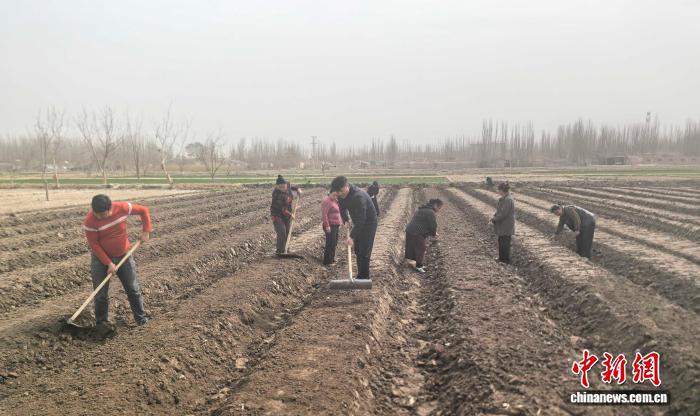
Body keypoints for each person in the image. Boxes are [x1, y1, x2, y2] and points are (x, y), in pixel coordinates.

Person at [83, 194, 152, 329]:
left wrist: (146, 231)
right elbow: (94, 244)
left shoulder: (122, 208)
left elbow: (144, 210)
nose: (99, 217)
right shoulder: (90, 221)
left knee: (132, 289)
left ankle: (141, 319)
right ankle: (102, 325)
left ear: (110, 208)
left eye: (103, 215)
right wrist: (108, 263)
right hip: (100, 259)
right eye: (97, 214)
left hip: (123, 255)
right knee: (100, 294)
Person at [331, 176, 377, 280]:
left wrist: (351, 237)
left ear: (346, 185)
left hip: (369, 223)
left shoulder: (358, 197)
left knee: (364, 250)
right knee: (358, 249)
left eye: (341, 191)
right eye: (338, 192)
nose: (340, 194)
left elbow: (362, 219)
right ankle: (360, 275)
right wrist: (345, 219)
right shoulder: (342, 196)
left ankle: (364, 277)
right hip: (358, 221)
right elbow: (342, 207)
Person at [405, 198, 443, 273]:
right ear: (435, 205)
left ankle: (414, 263)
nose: (439, 210)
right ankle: (418, 266)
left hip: (410, 230)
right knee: (421, 248)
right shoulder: (431, 212)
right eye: (439, 207)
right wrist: (434, 234)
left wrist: (432, 233)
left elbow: (425, 223)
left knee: (413, 247)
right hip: (417, 232)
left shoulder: (422, 209)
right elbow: (433, 225)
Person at [270, 175, 302, 254]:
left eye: (283, 186)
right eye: (280, 187)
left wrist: (298, 189)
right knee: (282, 231)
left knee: (287, 232)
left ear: (286, 185)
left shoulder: (287, 185)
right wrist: (291, 214)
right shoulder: (276, 194)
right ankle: (280, 250)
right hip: (277, 215)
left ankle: (286, 249)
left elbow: (294, 186)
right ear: (277, 186)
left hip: (287, 214)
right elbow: (281, 208)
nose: (282, 188)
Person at [490, 182, 515, 264]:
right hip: (502, 225)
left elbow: (503, 214)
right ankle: (501, 258)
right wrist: (494, 217)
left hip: (506, 225)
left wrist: (494, 219)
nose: (498, 191)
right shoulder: (503, 199)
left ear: (502, 190)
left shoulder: (508, 200)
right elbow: (499, 211)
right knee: (501, 241)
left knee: (505, 243)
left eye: (499, 190)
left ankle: (505, 260)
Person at [321, 191, 342, 265]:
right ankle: (327, 261)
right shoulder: (327, 201)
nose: (335, 197)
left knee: (334, 243)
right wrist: (327, 225)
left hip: (335, 225)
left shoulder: (334, 201)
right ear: (329, 193)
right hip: (330, 225)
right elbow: (324, 214)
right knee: (330, 243)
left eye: (336, 195)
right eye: (334, 195)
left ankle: (332, 258)